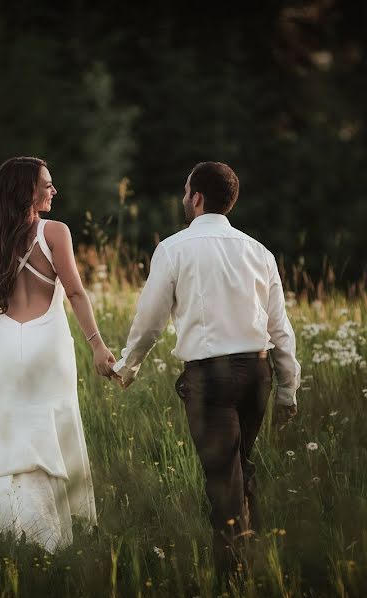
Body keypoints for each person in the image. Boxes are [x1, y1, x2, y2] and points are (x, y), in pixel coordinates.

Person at [111, 161, 301, 576]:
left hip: (211, 379)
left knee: (224, 480)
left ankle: (233, 575)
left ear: (196, 198)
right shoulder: (259, 252)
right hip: (257, 373)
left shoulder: (174, 248)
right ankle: (255, 563)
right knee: (240, 467)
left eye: (185, 193)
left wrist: (129, 366)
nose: (183, 199)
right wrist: (288, 387)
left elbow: (151, 320)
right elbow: (278, 327)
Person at [0, 156, 116, 553]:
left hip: (7, 340)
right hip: (48, 342)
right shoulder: (55, 232)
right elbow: (75, 292)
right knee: (52, 421)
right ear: (27, 190)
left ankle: (6, 521)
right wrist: (98, 346)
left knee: (12, 426)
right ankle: (46, 530)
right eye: (47, 184)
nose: (54, 190)